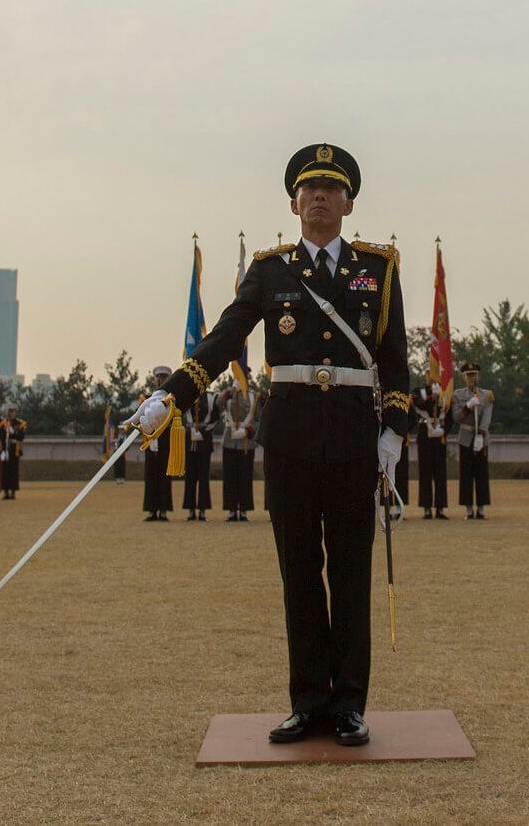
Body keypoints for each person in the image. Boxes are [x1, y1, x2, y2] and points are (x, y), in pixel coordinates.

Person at [121, 143, 407, 749]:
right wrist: (169, 397)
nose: (320, 197)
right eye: (310, 189)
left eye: (331, 188)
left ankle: (350, 705)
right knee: (299, 572)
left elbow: (395, 361)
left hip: (356, 440)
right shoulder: (270, 270)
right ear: (294, 201)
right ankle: (307, 702)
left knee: (352, 572)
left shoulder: (378, 270)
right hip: (291, 440)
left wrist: (393, 435)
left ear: (349, 202)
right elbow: (224, 339)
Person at [453, 364, 493, 520]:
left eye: (474, 375)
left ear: (478, 377)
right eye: (469, 376)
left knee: (481, 473)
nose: (472, 378)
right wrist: (468, 406)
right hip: (465, 437)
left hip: (480, 438)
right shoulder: (458, 394)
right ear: (464, 377)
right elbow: (456, 417)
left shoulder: (486, 395)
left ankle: (481, 508)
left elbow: (488, 415)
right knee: (466, 474)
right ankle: (469, 508)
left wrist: (481, 433)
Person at [412, 373, 449, 518]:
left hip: (439, 437)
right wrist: (431, 397)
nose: (431, 376)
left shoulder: (445, 392)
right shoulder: (418, 391)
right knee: (425, 472)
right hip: (425, 435)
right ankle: (426, 508)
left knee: (440, 473)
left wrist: (444, 431)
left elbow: (450, 414)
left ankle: (440, 508)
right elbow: (418, 404)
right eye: (429, 373)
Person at [140, 368, 175, 521]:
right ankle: (151, 510)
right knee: (151, 475)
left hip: (165, 439)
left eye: (164, 377)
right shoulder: (147, 399)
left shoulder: (172, 399)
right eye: (158, 377)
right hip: (150, 439)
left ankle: (163, 510)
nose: (161, 380)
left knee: (164, 476)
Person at [220, 383, 257, 521]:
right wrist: (228, 394)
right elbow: (219, 403)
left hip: (246, 441)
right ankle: (231, 510)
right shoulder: (229, 393)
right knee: (230, 477)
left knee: (245, 477)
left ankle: (243, 511)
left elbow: (258, 417)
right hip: (230, 440)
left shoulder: (253, 395)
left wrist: (249, 430)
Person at [183, 388, 216, 521]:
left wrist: (203, 429)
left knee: (203, 477)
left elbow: (216, 417)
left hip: (205, 439)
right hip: (190, 438)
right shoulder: (187, 394)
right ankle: (190, 509)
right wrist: (190, 427)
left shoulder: (212, 397)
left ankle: (202, 509)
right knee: (190, 476)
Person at [1, 401, 26, 500]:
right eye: (9, 411)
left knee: (13, 471)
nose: (10, 413)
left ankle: (13, 492)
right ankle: (6, 492)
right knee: (5, 471)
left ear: (15, 412)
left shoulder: (20, 423)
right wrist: (2, 450)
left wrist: (13, 432)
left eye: (12, 411)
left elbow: (21, 436)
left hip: (14, 449)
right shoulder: (3, 423)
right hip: (6, 448)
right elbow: (1, 436)